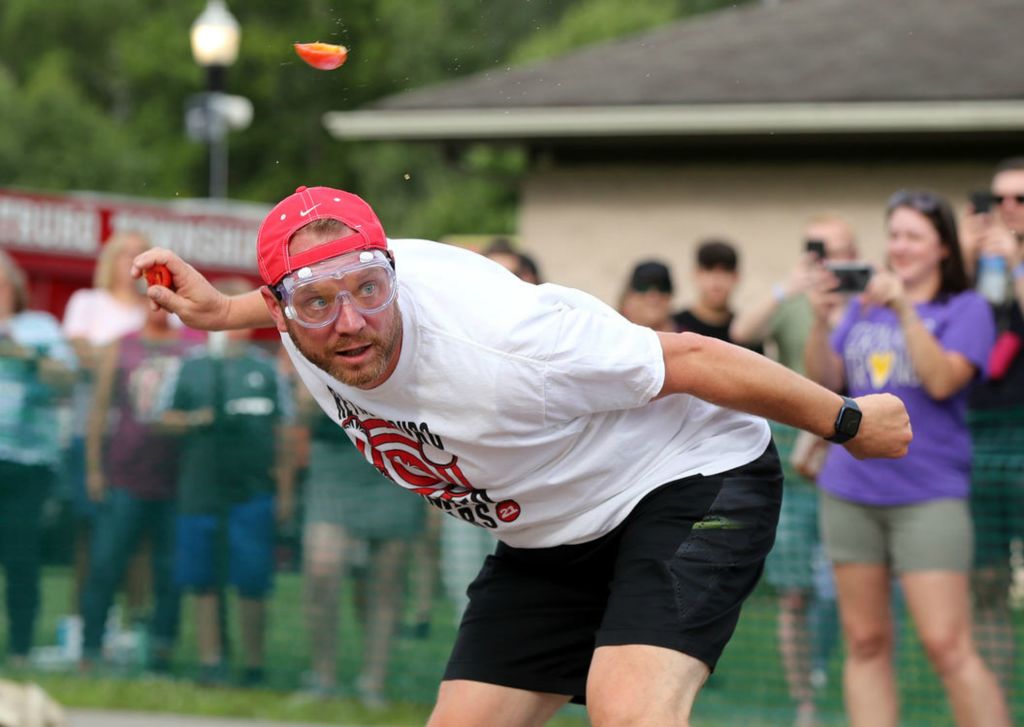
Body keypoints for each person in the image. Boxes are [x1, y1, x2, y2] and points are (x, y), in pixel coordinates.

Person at [133, 185, 910, 727]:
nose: (350, 323)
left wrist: (846, 420)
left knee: (626, 704)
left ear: (392, 273)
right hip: (549, 533)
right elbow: (306, 289)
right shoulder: (305, 321)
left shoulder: (508, 339)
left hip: (684, 477)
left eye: (370, 289)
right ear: (279, 307)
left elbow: (696, 356)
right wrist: (224, 311)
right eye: (315, 303)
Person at [804, 189, 1009, 727]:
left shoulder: (967, 310)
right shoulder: (860, 307)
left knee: (947, 646)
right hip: (849, 491)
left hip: (929, 495)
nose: (900, 246)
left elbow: (942, 381)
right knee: (866, 642)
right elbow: (826, 385)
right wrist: (823, 321)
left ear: (943, 247)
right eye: (894, 234)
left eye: (914, 235)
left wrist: (903, 308)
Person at [730, 216, 858, 726]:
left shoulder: (868, 303)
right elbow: (742, 333)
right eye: (819, 252)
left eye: (839, 251)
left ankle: (836, 676)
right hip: (793, 469)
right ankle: (805, 704)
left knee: (842, 590)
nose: (829, 262)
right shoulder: (792, 300)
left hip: (850, 468)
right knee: (794, 592)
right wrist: (790, 286)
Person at [161, 278, 296, 687]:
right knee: (203, 581)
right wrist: (192, 420)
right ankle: (210, 660)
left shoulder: (265, 368)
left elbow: (285, 433)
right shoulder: (189, 366)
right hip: (200, 489)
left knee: (252, 581)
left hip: (252, 490)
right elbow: (162, 417)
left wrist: (285, 491)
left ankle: (253, 665)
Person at [80, 304, 190, 672]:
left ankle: (161, 652)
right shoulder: (121, 346)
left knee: (170, 570)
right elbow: (99, 408)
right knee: (106, 563)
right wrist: (94, 468)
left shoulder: (192, 344)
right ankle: (90, 648)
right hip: (124, 472)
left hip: (176, 477)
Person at [298, 387, 425, 707]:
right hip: (334, 456)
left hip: (394, 453)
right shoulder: (316, 339)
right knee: (322, 571)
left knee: (386, 580)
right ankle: (322, 678)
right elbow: (303, 407)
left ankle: (374, 683)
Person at [61, 232, 151, 618]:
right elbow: (78, 355)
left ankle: (132, 627)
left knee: (138, 537)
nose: (129, 262)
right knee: (89, 530)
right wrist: (126, 357)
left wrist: (108, 356)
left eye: (138, 255)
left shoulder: (154, 308)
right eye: (123, 254)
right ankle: (83, 623)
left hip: (142, 439)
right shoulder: (87, 302)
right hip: (91, 432)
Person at [960, 156, 1024, 694]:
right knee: (985, 583)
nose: (1006, 210)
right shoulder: (977, 265)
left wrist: (1017, 268)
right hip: (977, 437)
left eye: (1019, 200)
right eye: (996, 199)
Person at [0, 250, 76, 667]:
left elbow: (67, 378)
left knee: (20, 555)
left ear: (14, 285)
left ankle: (20, 648)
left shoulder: (39, 328)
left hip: (28, 461)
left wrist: (25, 356)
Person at [674, 239, 754, 350]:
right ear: (696, 274)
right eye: (709, 269)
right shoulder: (673, 327)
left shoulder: (747, 333)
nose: (717, 279)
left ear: (736, 277)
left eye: (725, 271)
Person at [618, 261, 679, 332]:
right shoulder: (610, 335)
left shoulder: (687, 337)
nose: (653, 297)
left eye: (662, 288)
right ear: (628, 297)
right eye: (642, 288)